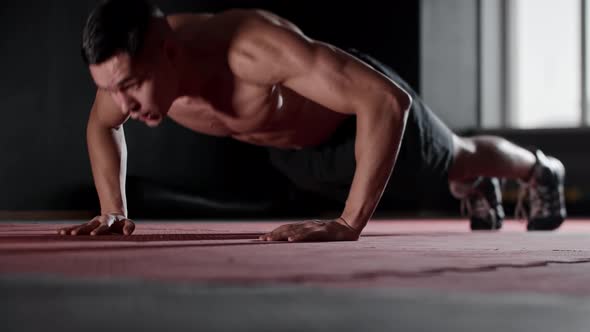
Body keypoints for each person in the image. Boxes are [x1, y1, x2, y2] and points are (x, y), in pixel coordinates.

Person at [58, 0, 566, 241]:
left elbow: (386, 104)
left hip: (358, 117)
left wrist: (348, 225)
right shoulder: (128, 80)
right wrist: (112, 212)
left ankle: (541, 170)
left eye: (128, 85)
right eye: (108, 89)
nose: (120, 101)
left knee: (457, 155)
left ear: (168, 49)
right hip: (300, 157)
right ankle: (473, 185)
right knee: (453, 171)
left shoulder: (252, 48)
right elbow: (101, 126)